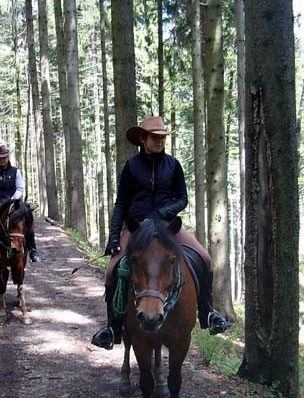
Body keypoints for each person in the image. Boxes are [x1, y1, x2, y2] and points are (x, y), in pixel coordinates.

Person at [90, 116, 229, 349]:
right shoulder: (131, 166)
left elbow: (182, 198)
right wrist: (114, 237)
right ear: (143, 139)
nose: (159, 141)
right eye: (154, 137)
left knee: (205, 258)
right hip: (136, 227)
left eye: (162, 138)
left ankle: (208, 313)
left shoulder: (173, 165)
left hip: (167, 226)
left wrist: (162, 213)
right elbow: (121, 203)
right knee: (112, 270)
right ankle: (112, 328)